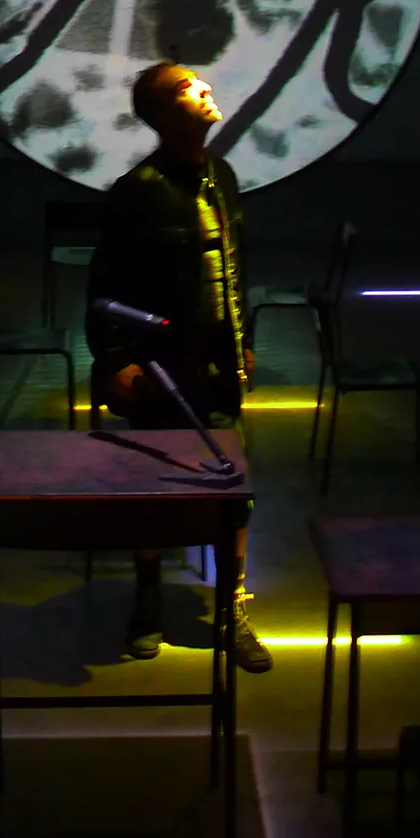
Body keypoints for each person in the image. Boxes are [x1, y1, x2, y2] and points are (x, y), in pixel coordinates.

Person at [86, 62, 273, 674]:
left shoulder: (223, 176)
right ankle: (148, 601)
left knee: (233, 490)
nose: (207, 88)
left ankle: (231, 607)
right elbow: (107, 283)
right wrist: (117, 359)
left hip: (216, 367)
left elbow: (234, 268)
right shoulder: (138, 190)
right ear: (164, 113)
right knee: (152, 488)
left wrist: (242, 340)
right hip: (162, 369)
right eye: (189, 87)